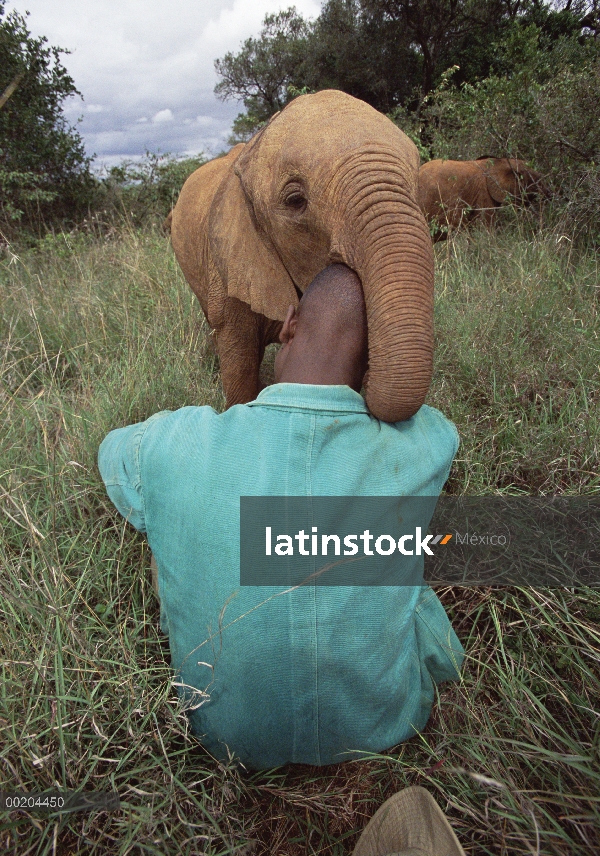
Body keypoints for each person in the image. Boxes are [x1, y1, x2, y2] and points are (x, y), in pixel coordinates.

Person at [98, 264, 463, 770]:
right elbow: (430, 420)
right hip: (383, 725)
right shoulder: (427, 444)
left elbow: (111, 454)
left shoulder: (175, 443)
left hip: (223, 735)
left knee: (167, 526)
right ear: (381, 354)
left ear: (288, 324)